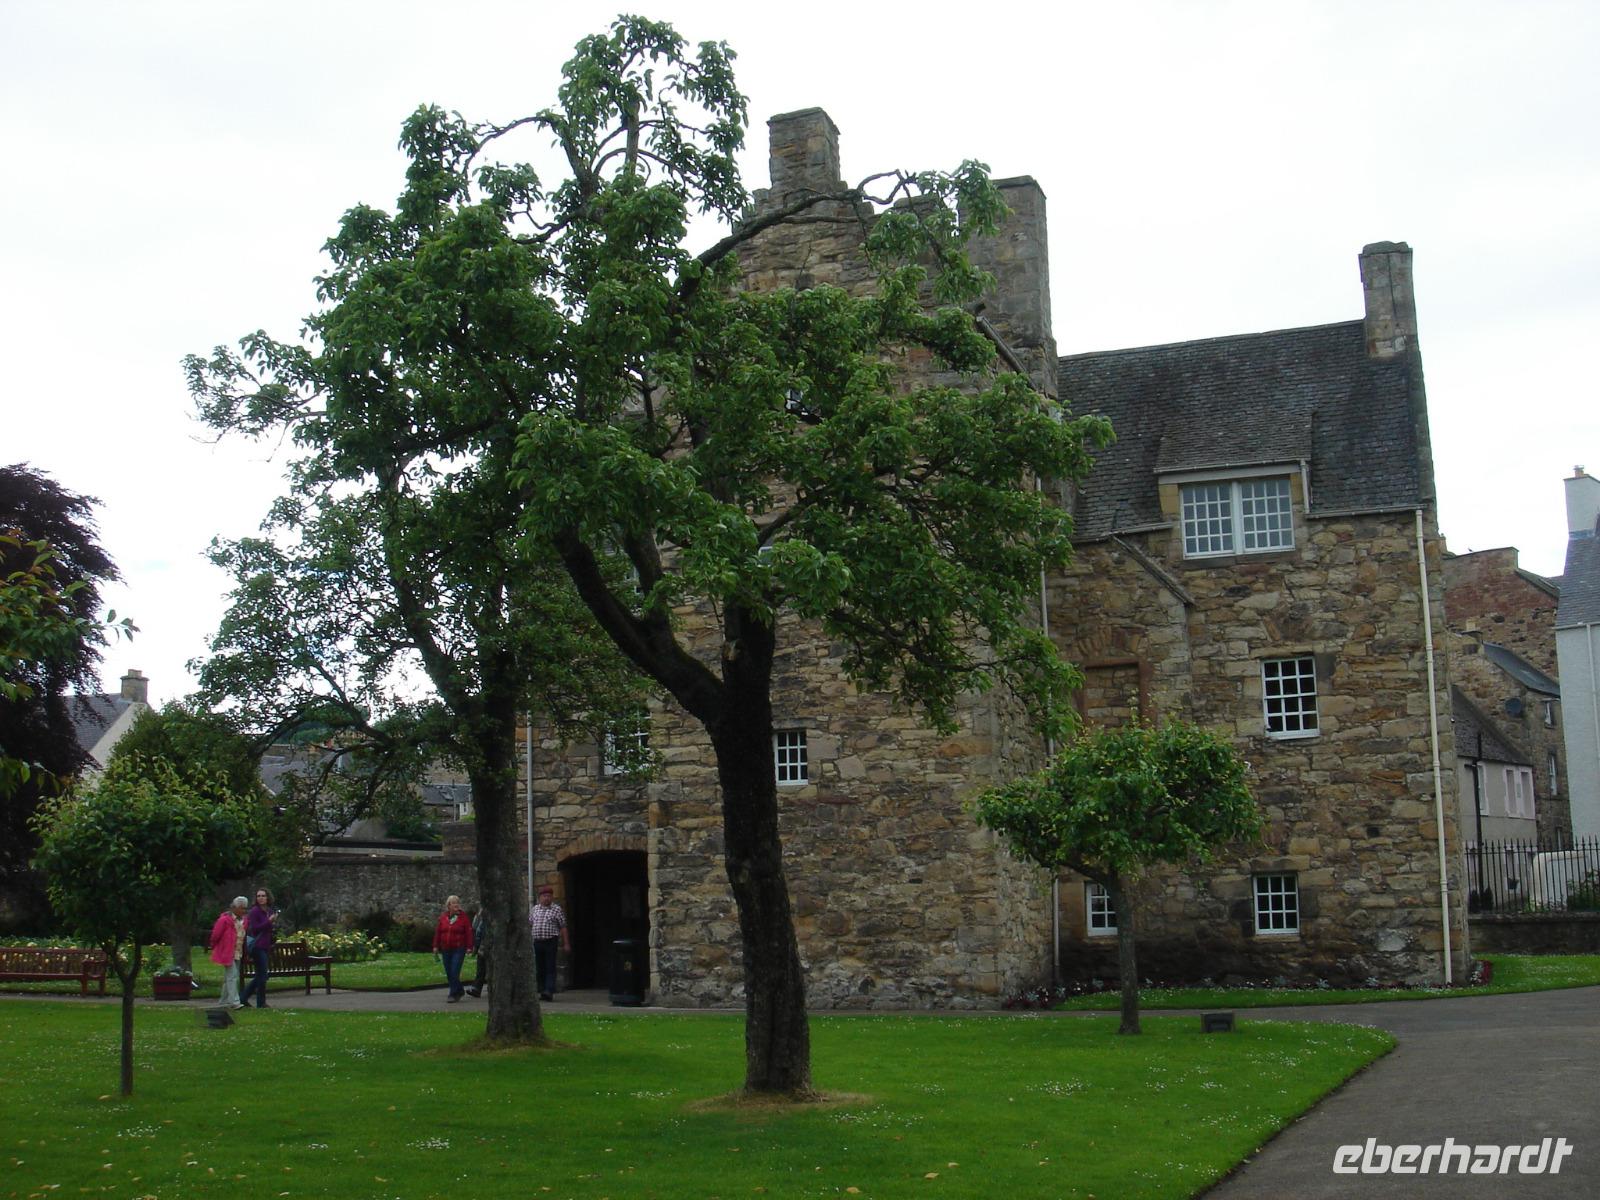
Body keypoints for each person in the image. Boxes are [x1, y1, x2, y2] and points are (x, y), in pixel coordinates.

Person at [528, 885, 570, 1002]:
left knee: (550, 966)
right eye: (544, 896)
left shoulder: (556, 909)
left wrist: (566, 943)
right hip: (537, 942)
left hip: (550, 941)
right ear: (540, 897)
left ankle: (549, 990)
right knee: (539, 967)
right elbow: (529, 924)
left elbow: (563, 927)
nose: (546, 898)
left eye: (549, 896)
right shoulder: (535, 909)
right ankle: (541, 990)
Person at [239, 887, 278, 1009]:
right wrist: (269, 921)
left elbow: (269, 929)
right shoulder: (255, 912)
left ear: (268, 897)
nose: (261, 898)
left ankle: (246, 998)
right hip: (257, 945)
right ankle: (257, 1001)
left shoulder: (269, 911)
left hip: (266, 945)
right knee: (262, 974)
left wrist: (273, 924)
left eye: (263, 896)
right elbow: (255, 929)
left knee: (261, 975)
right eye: (258, 896)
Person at [208, 896, 248, 1009]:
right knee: (232, 976)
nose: (243, 911)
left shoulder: (244, 920)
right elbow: (215, 935)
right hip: (227, 952)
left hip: (238, 951)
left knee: (229, 977)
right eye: (241, 908)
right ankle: (234, 1002)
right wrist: (215, 946)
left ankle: (224, 1001)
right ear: (234, 908)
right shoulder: (224, 920)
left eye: (245, 908)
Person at [432, 895, 474, 1003]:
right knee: (449, 972)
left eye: (457, 903)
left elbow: (469, 932)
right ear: (448, 905)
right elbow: (438, 932)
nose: (456, 905)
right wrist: (435, 946)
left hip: (459, 948)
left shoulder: (463, 917)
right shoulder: (443, 917)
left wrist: (470, 947)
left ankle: (453, 994)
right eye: (453, 903)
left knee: (454, 971)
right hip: (446, 948)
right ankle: (459, 989)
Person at [466, 905, 490, 998]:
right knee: (480, 969)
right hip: (483, 946)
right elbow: (476, 929)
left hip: (493, 947)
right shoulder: (482, 917)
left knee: (491, 969)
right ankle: (477, 988)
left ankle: (490, 987)